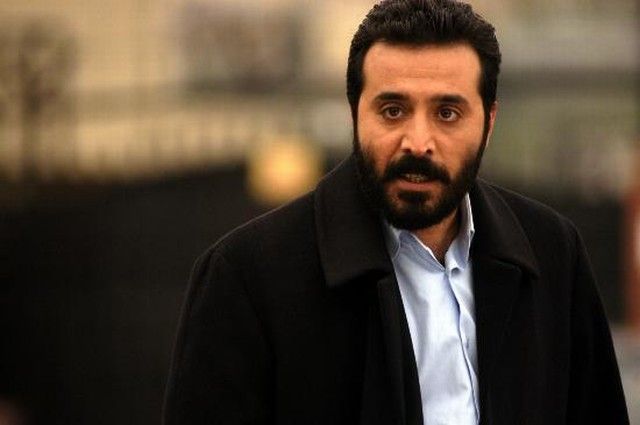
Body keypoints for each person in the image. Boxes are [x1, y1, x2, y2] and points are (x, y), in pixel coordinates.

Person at [163, 0, 629, 424]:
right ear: (355, 114)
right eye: (392, 110)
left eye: (447, 113)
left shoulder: (552, 254)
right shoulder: (246, 277)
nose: (418, 142)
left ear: (488, 123)